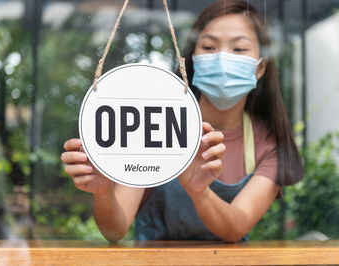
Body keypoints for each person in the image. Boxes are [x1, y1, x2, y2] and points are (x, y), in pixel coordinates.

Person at [61, 0, 303, 243]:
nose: (222, 59)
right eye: (209, 47)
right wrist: (103, 193)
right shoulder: (155, 120)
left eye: (239, 49)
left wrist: (199, 192)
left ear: (260, 67)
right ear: (193, 60)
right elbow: (115, 229)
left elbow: (236, 227)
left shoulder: (270, 144)